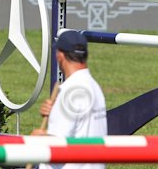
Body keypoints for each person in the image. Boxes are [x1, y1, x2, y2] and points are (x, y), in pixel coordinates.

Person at [32, 30, 107, 169]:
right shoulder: (95, 88)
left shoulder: (70, 92)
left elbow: (58, 146)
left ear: (60, 55)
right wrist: (55, 111)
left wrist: (38, 139)